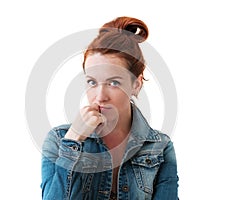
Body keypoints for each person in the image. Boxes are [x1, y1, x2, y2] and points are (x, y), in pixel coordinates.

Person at [41, 16, 179, 200]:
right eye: (92, 82)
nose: (99, 96)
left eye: (114, 82)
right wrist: (73, 140)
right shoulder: (59, 140)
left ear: (136, 84)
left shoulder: (160, 147)